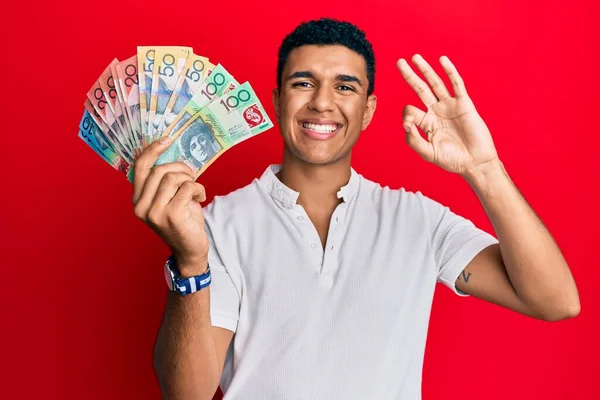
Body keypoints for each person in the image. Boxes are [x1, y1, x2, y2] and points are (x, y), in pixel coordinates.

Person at [132, 18, 580, 400]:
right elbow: (186, 393)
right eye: (303, 83)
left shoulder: (419, 221)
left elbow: (555, 302)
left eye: (344, 86)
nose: (322, 102)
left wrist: (484, 169)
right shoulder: (216, 225)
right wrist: (190, 261)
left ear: (367, 111)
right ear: (275, 100)